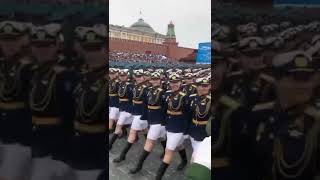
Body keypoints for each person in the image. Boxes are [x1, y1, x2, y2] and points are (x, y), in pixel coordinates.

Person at [249, 51, 320, 180]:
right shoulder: (259, 114)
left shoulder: (315, 122)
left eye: (307, 79)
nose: (304, 85)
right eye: (296, 78)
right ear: (277, 80)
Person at [29, 22, 76, 180]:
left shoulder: (65, 77)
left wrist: (64, 154)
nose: (41, 50)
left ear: (58, 46)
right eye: (38, 45)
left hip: (55, 143)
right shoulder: (29, 73)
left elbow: (71, 117)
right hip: (28, 140)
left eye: (47, 45)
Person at [68, 24, 107, 180]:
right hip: (76, 150)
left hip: (96, 155)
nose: (92, 54)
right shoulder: (81, 76)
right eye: (88, 49)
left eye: (97, 49)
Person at [0, 19, 34, 180]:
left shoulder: (30, 69)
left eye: (13, 39)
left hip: (19, 136)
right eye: (5, 40)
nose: (9, 44)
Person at [129, 72, 167, 174]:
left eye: (157, 79)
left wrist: (164, 123)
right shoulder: (148, 90)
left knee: (148, 144)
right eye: (153, 79)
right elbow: (145, 105)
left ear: (160, 80)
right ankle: (170, 152)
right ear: (150, 80)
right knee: (163, 138)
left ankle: (138, 165)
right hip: (150, 120)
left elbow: (165, 109)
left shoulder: (164, 92)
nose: (155, 81)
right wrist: (144, 118)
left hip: (158, 122)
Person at [155, 73, 189, 180]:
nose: (174, 84)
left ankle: (158, 176)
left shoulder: (185, 97)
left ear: (180, 83)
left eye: (176, 82)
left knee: (169, 151)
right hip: (169, 125)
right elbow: (164, 110)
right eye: (172, 82)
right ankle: (184, 160)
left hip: (178, 128)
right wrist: (163, 123)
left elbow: (188, 115)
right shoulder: (167, 94)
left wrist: (186, 131)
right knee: (179, 146)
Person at [112, 69, 149, 163]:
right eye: (137, 77)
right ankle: (154, 145)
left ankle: (122, 155)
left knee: (132, 134)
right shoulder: (135, 87)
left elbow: (147, 104)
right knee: (145, 131)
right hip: (135, 113)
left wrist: (145, 116)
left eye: (140, 76)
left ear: (143, 77)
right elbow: (132, 100)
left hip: (141, 115)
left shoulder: (146, 89)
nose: (138, 78)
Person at [109, 68, 134, 151]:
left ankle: (110, 144)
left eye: (124, 76)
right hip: (120, 107)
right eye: (121, 76)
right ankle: (131, 135)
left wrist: (130, 110)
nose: (122, 77)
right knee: (117, 122)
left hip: (126, 108)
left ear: (127, 76)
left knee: (117, 124)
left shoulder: (130, 85)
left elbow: (132, 99)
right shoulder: (119, 84)